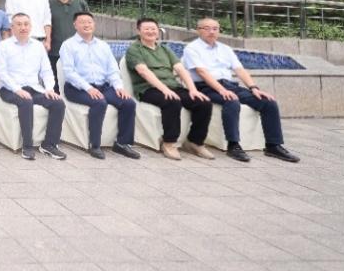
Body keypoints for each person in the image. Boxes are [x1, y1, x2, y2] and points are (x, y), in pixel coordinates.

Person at [182, 18, 300, 163]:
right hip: (204, 86)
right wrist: (221, 90)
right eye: (206, 28)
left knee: (268, 102)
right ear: (198, 30)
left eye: (215, 29)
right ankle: (233, 145)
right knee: (231, 101)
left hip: (229, 85)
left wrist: (254, 88)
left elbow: (239, 70)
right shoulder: (192, 49)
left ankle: (273, 146)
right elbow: (202, 72)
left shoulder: (225, 49)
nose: (211, 32)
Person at [125, 17, 214, 161]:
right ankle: (169, 143)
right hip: (148, 89)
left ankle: (195, 142)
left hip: (173, 86)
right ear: (139, 31)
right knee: (172, 101)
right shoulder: (134, 49)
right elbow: (144, 72)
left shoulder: (165, 49)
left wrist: (193, 90)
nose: (150, 31)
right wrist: (164, 90)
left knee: (203, 103)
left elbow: (180, 69)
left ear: (158, 31)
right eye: (146, 29)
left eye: (153, 29)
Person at [58, 12, 140, 160]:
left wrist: (118, 87)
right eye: (82, 22)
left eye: (89, 22)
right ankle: (94, 145)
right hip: (76, 88)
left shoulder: (103, 46)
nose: (86, 25)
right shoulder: (68, 45)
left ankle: (122, 144)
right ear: (75, 25)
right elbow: (69, 73)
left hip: (103, 86)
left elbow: (112, 70)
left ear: (94, 24)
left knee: (128, 103)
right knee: (99, 102)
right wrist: (88, 88)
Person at [0, 13, 65, 160]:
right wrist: (17, 90)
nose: (23, 27)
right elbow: (2, 72)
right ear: (12, 27)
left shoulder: (38, 46)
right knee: (26, 101)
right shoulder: (4, 46)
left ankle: (49, 145)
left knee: (58, 103)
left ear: (31, 26)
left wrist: (49, 89)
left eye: (26, 24)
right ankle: (27, 146)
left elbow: (46, 71)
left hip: (34, 88)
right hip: (9, 89)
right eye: (19, 24)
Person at [48, 0, 89, 92]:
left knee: (78, 83)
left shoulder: (80, 3)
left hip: (78, 51)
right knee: (55, 83)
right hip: (54, 50)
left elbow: (88, 25)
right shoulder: (47, 4)